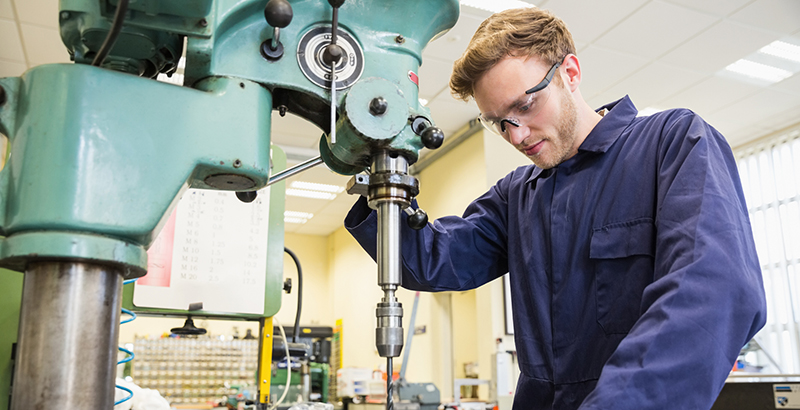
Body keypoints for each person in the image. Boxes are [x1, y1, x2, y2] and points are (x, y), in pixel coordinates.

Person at [345, 7, 766, 410]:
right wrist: (379, 179)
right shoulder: (518, 194)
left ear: (570, 73)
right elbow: (431, 261)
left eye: (524, 106)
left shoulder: (671, 144)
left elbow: (712, 291)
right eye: (498, 122)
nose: (516, 135)